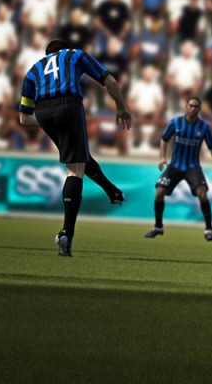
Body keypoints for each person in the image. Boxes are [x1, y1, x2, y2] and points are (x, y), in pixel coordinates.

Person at [17, 39, 133, 256]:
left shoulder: (33, 70)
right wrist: (121, 107)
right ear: (64, 49)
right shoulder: (75, 54)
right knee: (74, 169)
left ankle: (111, 190)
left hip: (42, 111)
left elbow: (24, 119)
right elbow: (110, 80)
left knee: (77, 157)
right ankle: (66, 234)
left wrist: (48, 120)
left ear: (47, 54)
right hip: (68, 104)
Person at [144, 97, 212, 241]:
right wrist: (162, 157)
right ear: (186, 106)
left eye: (196, 106)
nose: (193, 108)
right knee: (159, 193)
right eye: (191, 105)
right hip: (175, 166)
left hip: (192, 167)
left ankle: (209, 229)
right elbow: (164, 139)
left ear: (199, 109)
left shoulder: (204, 127)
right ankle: (158, 227)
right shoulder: (175, 123)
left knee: (203, 194)